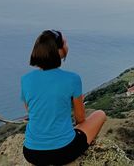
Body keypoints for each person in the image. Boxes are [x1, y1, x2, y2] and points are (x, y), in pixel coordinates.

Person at [20, 30, 106, 165]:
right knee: (100, 114)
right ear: (58, 51)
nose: (67, 45)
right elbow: (80, 118)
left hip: (31, 153)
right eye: (64, 43)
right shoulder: (72, 79)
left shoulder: (25, 80)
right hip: (63, 152)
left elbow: (30, 111)